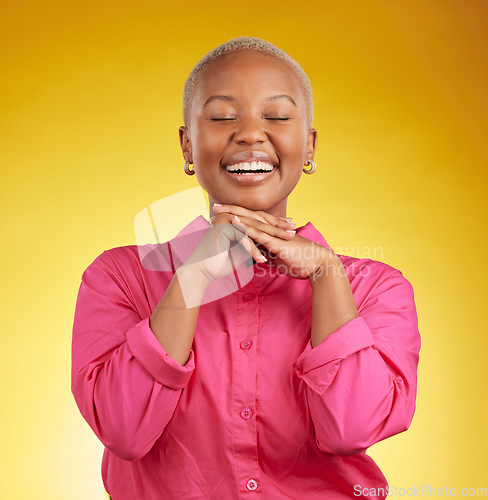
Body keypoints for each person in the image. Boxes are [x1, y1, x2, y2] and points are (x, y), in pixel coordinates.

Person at [71, 36, 421, 500]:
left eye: (276, 117)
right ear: (187, 147)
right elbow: (124, 433)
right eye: (221, 117)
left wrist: (327, 278)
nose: (251, 134)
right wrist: (192, 277)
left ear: (309, 145)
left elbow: (352, 430)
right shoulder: (119, 278)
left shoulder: (376, 288)